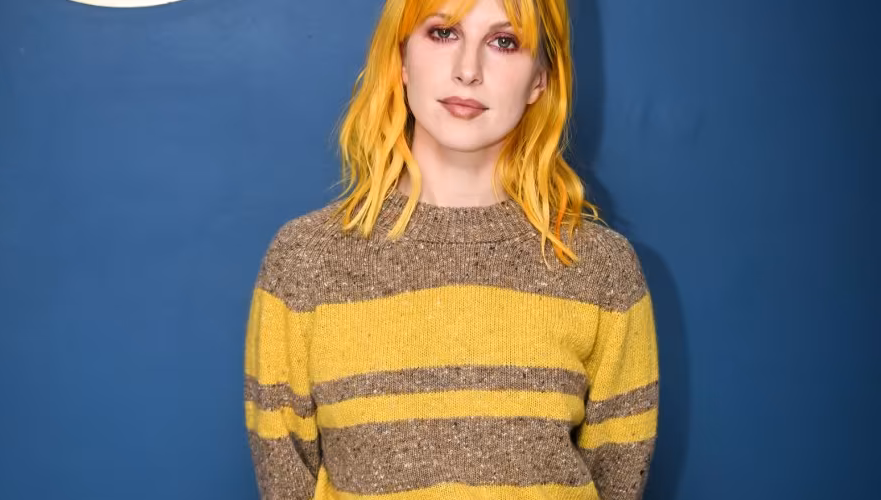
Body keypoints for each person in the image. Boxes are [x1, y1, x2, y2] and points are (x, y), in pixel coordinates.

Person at [242, 0, 659, 498]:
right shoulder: (304, 261)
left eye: (504, 42)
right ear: (400, 58)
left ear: (540, 80)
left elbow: (619, 476)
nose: (468, 70)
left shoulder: (602, 270)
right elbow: (285, 478)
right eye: (443, 33)